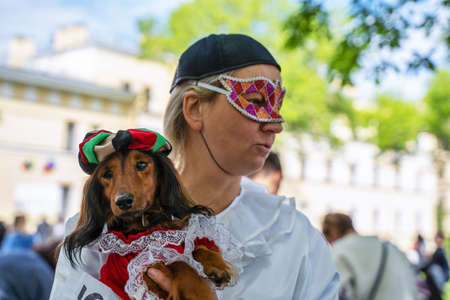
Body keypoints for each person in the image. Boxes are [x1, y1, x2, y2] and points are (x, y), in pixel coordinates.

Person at [50, 33, 339, 299]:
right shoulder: (96, 236)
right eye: (255, 101)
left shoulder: (295, 237)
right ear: (195, 108)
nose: (275, 125)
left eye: (277, 106)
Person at [322, 213, 418, 300]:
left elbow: (328, 291)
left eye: (329, 241)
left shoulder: (341, 249)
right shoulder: (390, 248)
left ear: (334, 232)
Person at [422, 231, 449, 300]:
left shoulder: (440, 251)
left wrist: (422, 268)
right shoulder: (439, 250)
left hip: (436, 281)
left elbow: (433, 263)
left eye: (437, 238)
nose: (436, 240)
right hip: (436, 281)